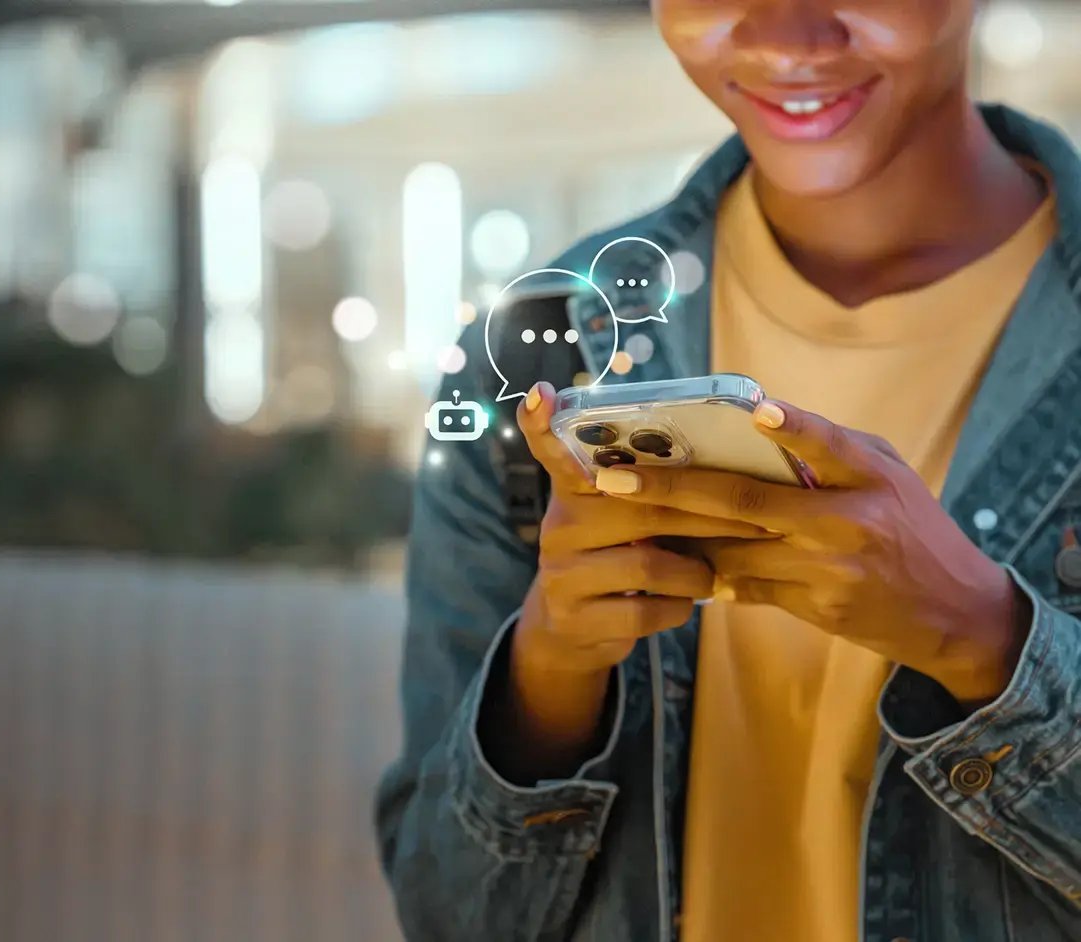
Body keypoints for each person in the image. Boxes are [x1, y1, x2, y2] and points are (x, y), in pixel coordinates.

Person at [376, 1, 1081, 939]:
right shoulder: (536, 353)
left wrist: (985, 641)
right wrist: (548, 672)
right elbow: (444, 913)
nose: (785, 38)